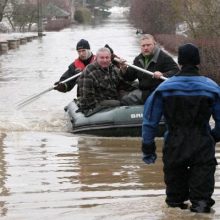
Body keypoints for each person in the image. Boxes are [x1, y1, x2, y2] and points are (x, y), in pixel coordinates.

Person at [141, 43, 220, 213]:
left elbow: (149, 121)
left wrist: (148, 148)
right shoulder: (211, 87)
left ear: (180, 63)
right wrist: (214, 137)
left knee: (174, 203)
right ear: (198, 62)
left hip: (174, 145)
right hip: (202, 145)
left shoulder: (164, 88)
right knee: (201, 202)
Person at [120, 34, 179, 105]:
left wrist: (163, 74)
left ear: (154, 44)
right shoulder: (138, 59)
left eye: (148, 45)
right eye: (143, 46)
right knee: (123, 95)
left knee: (126, 100)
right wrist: (123, 68)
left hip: (157, 91)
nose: (146, 48)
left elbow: (176, 72)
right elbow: (130, 77)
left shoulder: (164, 57)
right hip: (143, 89)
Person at [76, 47, 125, 116]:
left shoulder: (112, 68)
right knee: (119, 103)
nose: (105, 60)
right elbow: (86, 96)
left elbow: (121, 82)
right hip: (96, 102)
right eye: (102, 58)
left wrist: (123, 69)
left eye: (107, 58)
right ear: (96, 58)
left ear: (110, 58)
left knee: (128, 98)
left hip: (110, 97)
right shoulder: (89, 71)